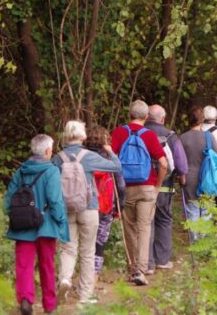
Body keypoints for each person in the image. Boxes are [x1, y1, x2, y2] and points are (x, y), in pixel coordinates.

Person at [52, 120, 121, 305]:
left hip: (66, 209)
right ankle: (84, 295)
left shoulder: (58, 158)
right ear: (82, 135)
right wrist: (109, 150)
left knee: (68, 248)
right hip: (89, 207)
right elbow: (116, 167)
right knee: (88, 251)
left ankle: (65, 280)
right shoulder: (89, 156)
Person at [5, 134, 69, 315]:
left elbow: (8, 200)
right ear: (48, 151)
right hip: (46, 226)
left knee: (24, 265)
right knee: (47, 265)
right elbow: (55, 200)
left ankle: (25, 300)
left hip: (22, 227)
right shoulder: (52, 171)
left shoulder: (21, 170)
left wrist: (16, 215)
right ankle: (49, 304)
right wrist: (61, 221)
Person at [111, 100, 168, 286]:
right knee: (144, 228)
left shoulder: (119, 132)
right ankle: (141, 270)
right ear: (146, 117)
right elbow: (164, 164)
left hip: (126, 187)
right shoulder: (149, 136)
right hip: (147, 187)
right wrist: (157, 186)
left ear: (129, 115)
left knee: (130, 229)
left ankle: (133, 267)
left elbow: (111, 161)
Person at [145, 104, 188, 273]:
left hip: (141, 185)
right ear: (163, 119)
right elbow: (181, 164)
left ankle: (146, 264)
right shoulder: (170, 136)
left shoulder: (138, 133)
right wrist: (182, 177)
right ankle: (162, 260)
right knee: (163, 220)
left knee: (145, 223)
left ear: (147, 117)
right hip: (164, 187)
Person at [83, 125, 126, 277]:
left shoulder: (81, 157)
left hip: (86, 204)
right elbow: (120, 184)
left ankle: (84, 273)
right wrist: (120, 204)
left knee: (86, 240)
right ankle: (94, 273)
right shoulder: (109, 159)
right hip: (106, 205)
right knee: (100, 240)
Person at [180, 106, 217, 242]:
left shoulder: (182, 138)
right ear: (202, 119)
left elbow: (179, 161)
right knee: (206, 209)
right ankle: (203, 241)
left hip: (189, 177)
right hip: (208, 177)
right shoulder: (209, 137)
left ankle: (194, 241)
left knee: (192, 209)